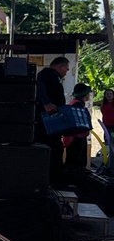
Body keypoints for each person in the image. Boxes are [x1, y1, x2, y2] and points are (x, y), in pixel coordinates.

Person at [36, 56, 70, 184]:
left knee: (56, 149)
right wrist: (46, 103)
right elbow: (40, 87)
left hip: (52, 120)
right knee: (53, 149)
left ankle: (54, 180)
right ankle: (52, 181)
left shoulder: (52, 77)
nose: (66, 72)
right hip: (46, 121)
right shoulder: (47, 74)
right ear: (60, 66)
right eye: (66, 69)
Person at [62, 83, 94, 173]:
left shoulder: (75, 103)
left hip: (74, 137)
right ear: (84, 94)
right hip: (76, 138)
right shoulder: (78, 105)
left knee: (73, 160)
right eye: (88, 93)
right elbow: (78, 123)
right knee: (76, 162)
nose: (89, 95)